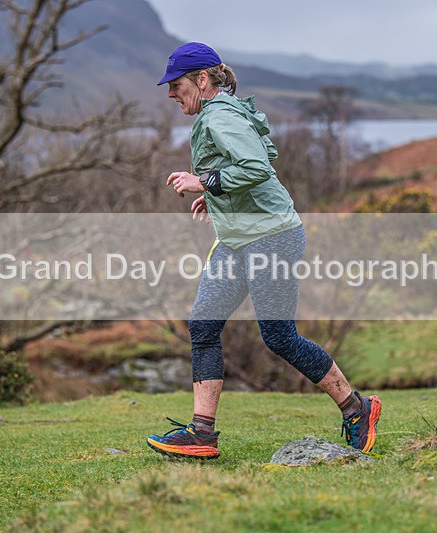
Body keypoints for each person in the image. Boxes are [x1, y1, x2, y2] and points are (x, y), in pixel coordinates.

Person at [146, 42, 381, 459]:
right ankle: (202, 433)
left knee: (279, 337)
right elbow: (252, 164)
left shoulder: (220, 114)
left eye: (176, 84)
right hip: (238, 239)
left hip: (271, 237)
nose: (170, 93)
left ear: (202, 80)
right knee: (203, 324)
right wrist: (217, 197)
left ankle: (356, 407)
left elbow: (257, 167)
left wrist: (203, 183)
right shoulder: (226, 111)